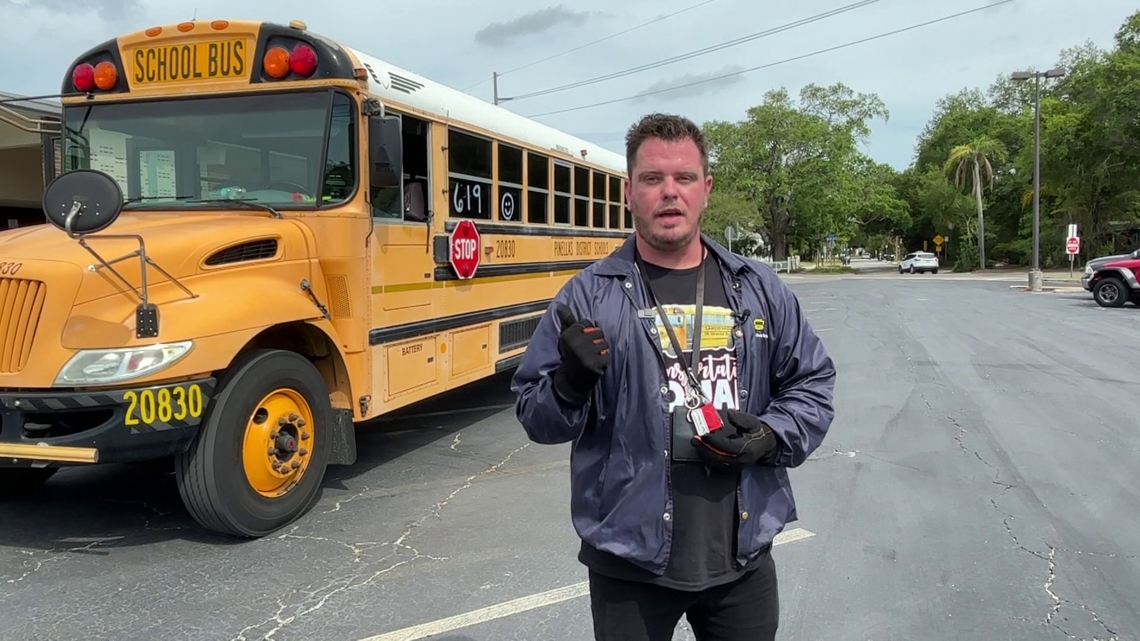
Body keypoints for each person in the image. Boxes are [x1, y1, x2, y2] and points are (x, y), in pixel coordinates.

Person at [511, 113, 836, 640]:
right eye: (652, 179)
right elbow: (535, 416)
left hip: (742, 557)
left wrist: (770, 436)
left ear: (705, 189)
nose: (669, 192)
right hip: (628, 562)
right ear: (629, 192)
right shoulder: (588, 297)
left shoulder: (758, 289)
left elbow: (812, 384)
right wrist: (568, 385)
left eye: (684, 178)